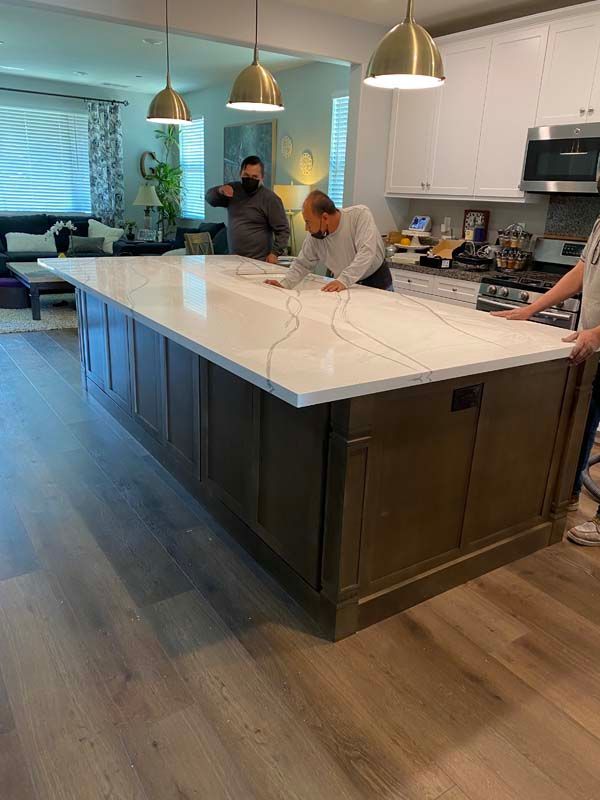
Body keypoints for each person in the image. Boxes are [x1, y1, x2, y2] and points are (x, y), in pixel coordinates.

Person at [492, 216, 600, 546]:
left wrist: (596, 333)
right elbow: (582, 273)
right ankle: (564, 497)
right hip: (593, 346)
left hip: (595, 338)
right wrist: (531, 309)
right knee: (580, 421)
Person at [264, 190, 392, 292]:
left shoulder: (359, 215)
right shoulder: (315, 235)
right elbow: (303, 263)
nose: (306, 228)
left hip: (376, 281)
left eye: (308, 222)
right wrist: (284, 284)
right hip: (344, 284)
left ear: (324, 217)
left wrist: (343, 280)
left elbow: (366, 252)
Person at [206, 155, 289, 263]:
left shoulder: (270, 199)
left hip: (259, 261)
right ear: (240, 173)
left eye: (254, 177)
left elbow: (283, 229)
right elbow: (209, 199)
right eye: (246, 175)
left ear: (261, 177)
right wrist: (220, 190)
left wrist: (275, 253)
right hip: (234, 260)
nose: (250, 179)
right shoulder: (233, 190)